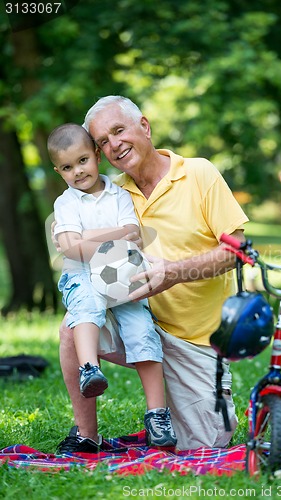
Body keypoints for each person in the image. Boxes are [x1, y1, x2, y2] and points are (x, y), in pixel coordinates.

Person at [56, 95, 249, 453]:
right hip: (137, 320)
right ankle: (87, 435)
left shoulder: (199, 173)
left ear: (144, 126)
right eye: (102, 141)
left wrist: (173, 273)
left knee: (206, 444)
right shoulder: (111, 193)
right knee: (74, 325)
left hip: (197, 343)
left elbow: (236, 251)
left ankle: (176, 410)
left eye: (118, 131)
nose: (113, 145)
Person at [48, 123, 177, 447]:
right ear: (57, 171)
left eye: (81, 161)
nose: (77, 172)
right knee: (86, 307)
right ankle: (90, 369)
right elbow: (71, 250)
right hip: (81, 275)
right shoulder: (66, 203)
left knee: (141, 328)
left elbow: (132, 233)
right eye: (66, 167)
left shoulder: (118, 194)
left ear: (96, 155)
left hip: (121, 272)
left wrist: (84, 238)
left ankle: (157, 415)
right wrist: (113, 235)